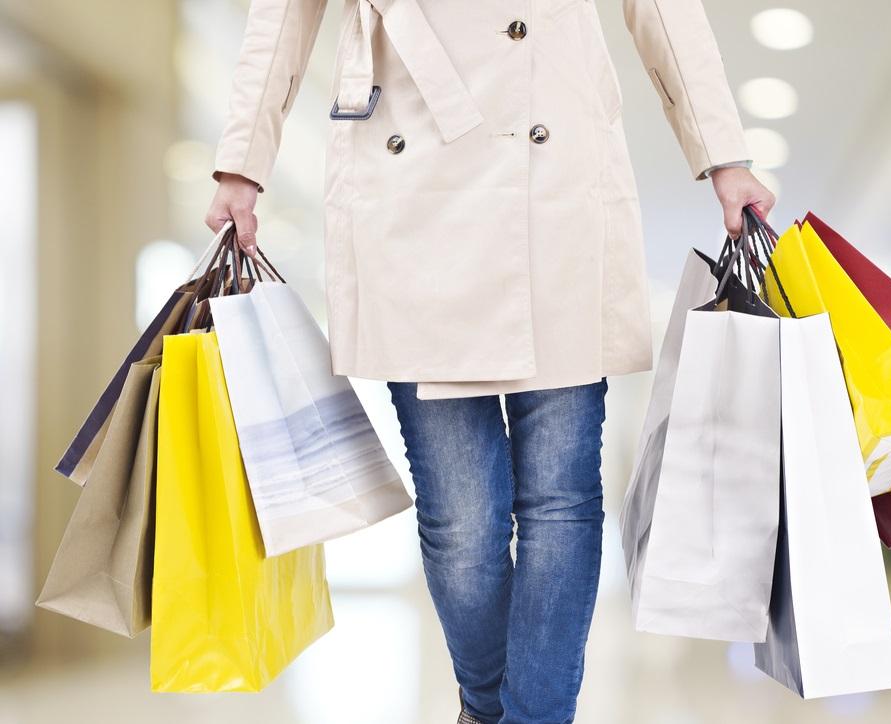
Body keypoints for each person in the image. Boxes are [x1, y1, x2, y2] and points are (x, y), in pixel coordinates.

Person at [205, 1, 774, 722]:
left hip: (555, 179)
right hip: (409, 174)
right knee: (462, 520)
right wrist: (243, 165)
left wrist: (724, 152)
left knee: (561, 501)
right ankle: (484, 705)